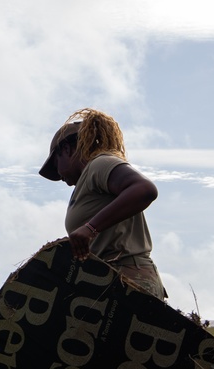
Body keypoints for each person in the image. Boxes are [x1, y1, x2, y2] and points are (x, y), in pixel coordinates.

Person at [39, 108, 166, 299]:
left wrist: (90, 228)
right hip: (108, 280)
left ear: (66, 149)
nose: (58, 174)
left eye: (55, 163)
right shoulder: (86, 182)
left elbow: (144, 189)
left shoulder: (100, 164)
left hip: (128, 277)